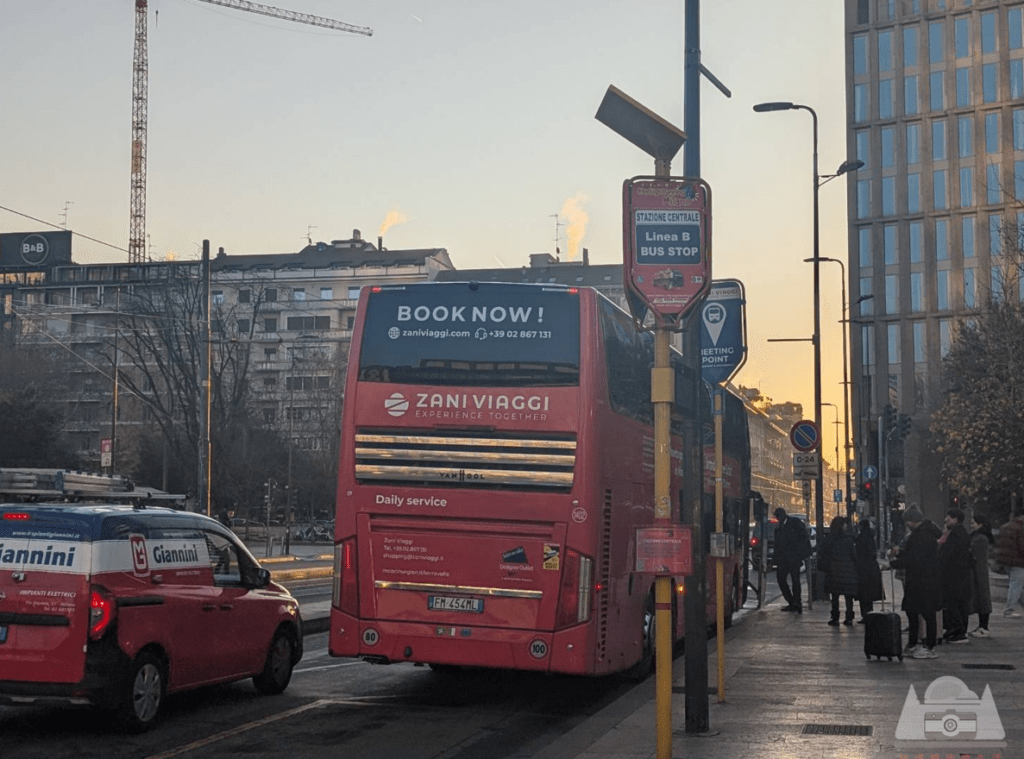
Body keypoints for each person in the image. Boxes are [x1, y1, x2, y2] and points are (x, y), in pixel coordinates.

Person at [889, 507, 943, 659]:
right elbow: (913, 555)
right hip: (920, 579)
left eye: (907, 521)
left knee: (926, 612)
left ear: (911, 521)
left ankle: (929, 646)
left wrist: (894, 564)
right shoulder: (922, 534)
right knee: (913, 611)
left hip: (923, 579)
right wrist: (900, 553)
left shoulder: (922, 536)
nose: (906, 524)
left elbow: (914, 558)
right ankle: (912, 644)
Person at [938, 507, 973, 643]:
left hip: (954, 576)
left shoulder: (956, 534)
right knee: (960, 604)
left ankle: (958, 631)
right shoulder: (962, 533)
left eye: (949, 517)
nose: (946, 519)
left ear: (956, 519)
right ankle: (959, 630)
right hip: (960, 576)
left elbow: (948, 555)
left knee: (954, 604)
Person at [819, 516, 859, 626]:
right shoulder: (848, 539)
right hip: (847, 571)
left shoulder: (829, 539)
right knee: (848, 596)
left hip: (833, 571)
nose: (846, 526)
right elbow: (854, 555)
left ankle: (835, 617)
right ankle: (849, 617)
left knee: (835, 595)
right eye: (844, 524)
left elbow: (823, 554)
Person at [773, 507, 811, 614]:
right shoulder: (779, 528)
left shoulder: (794, 523)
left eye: (779, 516)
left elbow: (804, 537)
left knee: (795, 580)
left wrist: (799, 553)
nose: (778, 518)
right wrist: (775, 560)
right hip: (784, 559)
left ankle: (797, 603)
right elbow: (777, 546)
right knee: (781, 579)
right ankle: (792, 601)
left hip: (794, 557)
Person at [995, 504, 1024, 618]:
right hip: (1018, 561)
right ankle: (1009, 610)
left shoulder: (1004, 527)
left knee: (1018, 585)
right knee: (1016, 585)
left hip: (1006, 561)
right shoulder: (1020, 528)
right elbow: (1022, 546)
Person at [968, 513, 994, 638]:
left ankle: (984, 627)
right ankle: (981, 626)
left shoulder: (980, 538)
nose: (971, 525)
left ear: (980, 524)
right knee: (980, 598)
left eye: (973, 522)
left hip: (979, 571)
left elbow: (974, 554)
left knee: (982, 598)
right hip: (978, 570)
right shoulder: (978, 536)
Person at [854, 519, 884, 621]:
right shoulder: (871, 537)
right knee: (869, 594)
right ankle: (870, 614)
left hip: (862, 569)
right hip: (871, 569)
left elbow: (858, 552)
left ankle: (865, 615)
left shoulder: (860, 538)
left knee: (863, 594)